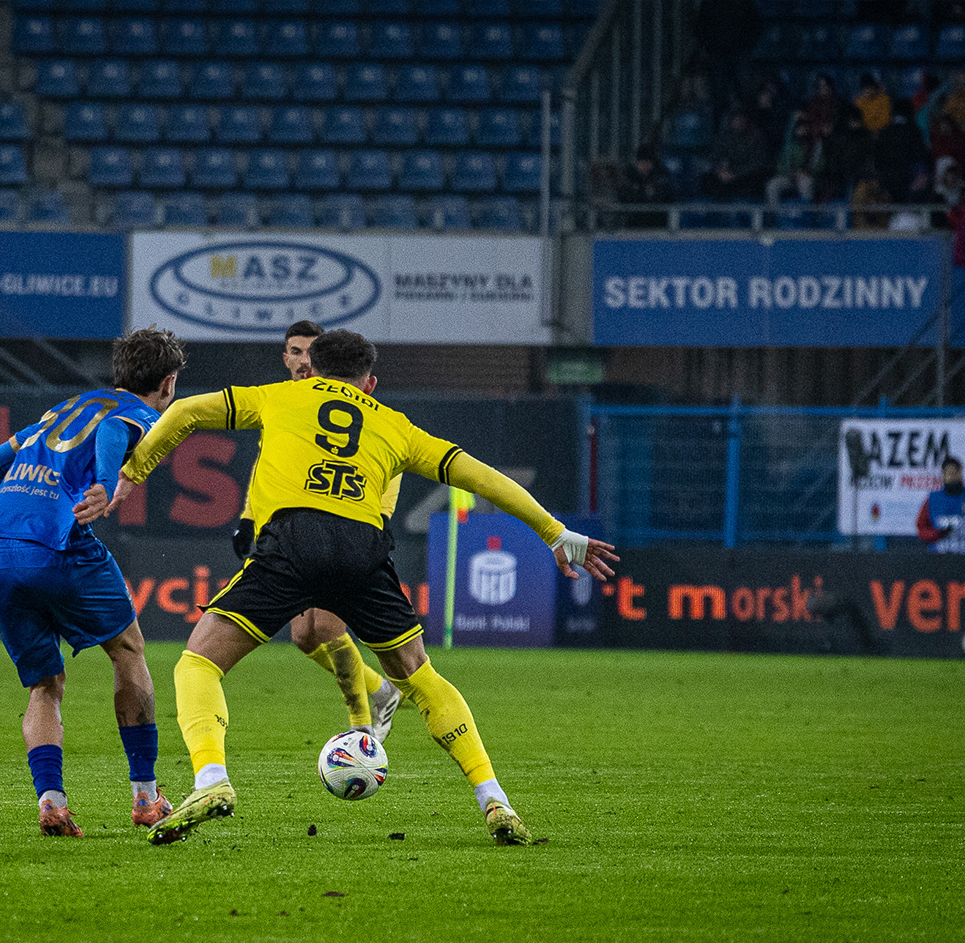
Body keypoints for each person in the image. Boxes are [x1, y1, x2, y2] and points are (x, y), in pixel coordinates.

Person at [106, 330, 619, 847]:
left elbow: (187, 411)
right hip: (362, 548)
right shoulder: (395, 425)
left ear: (311, 369)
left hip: (291, 540)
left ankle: (212, 781)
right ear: (369, 382)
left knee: (198, 663)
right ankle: (495, 801)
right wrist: (555, 532)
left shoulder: (279, 396)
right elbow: (480, 476)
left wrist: (134, 471)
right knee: (421, 676)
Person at [0, 326, 187, 838]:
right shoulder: (139, 413)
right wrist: (105, 484)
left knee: (46, 684)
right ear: (169, 383)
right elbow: (112, 436)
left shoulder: (67, 407)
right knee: (127, 650)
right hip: (56, 545)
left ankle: (51, 802)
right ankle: (146, 797)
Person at [231, 320, 402, 740]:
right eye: (295, 351)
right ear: (285, 358)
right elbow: (266, 467)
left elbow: (387, 460)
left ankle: (362, 725)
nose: (303, 360)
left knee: (325, 628)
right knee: (304, 636)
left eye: (310, 351)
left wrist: (378, 518)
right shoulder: (284, 403)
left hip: (344, 524)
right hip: (289, 532)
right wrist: (249, 518)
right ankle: (381, 691)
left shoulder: (348, 404)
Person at [917, 457, 965, 553]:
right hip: (938, 556)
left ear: (960, 473)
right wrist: (936, 534)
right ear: (943, 475)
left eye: (955, 472)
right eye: (948, 473)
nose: (952, 476)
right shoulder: (933, 499)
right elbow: (921, 528)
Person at [616, 145, 677, 228]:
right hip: (634, 224)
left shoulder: (661, 177)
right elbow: (624, 198)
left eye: (648, 162)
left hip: (658, 223)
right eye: (643, 163)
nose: (646, 166)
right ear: (637, 162)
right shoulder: (629, 177)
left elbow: (670, 198)